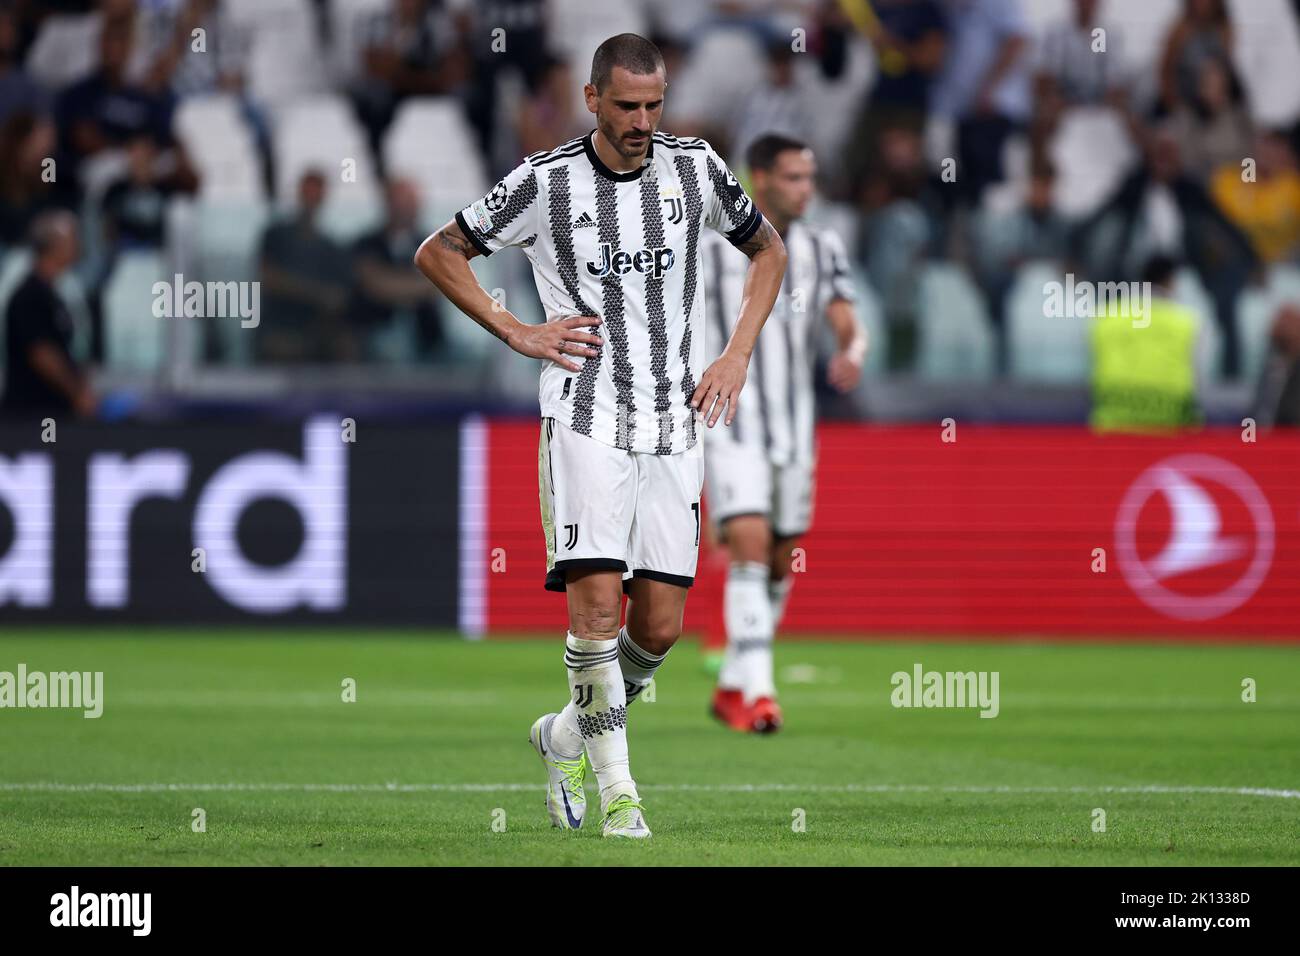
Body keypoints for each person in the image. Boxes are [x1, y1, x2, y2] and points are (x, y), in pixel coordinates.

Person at [414, 33, 787, 838]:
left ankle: (561, 735)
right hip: (584, 419)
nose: (642, 121)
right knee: (593, 609)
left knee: (658, 628)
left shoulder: (696, 167)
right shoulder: (545, 183)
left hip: (674, 420)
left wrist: (736, 353)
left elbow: (768, 249)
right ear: (592, 100)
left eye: (653, 105)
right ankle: (621, 796)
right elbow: (439, 251)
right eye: (626, 106)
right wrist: (514, 329)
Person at [701, 134, 866, 733]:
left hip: (796, 428)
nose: (806, 189)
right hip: (729, 419)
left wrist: (854, 350)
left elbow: (848, 322)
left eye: (810, 176)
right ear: (760, 179)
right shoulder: (711, 244)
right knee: (747, 539)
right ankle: (762, 693)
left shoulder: (823, 247)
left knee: (777, 561)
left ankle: (729, 686)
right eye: (794, 177)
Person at [2, 211, 96, 420]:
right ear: (55, 246)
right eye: (73, 239)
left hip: (54, 412)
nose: (78, 245)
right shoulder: (29, 295)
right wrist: (76, 392)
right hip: (31, 416)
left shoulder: (55, 293)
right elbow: (42, 353)